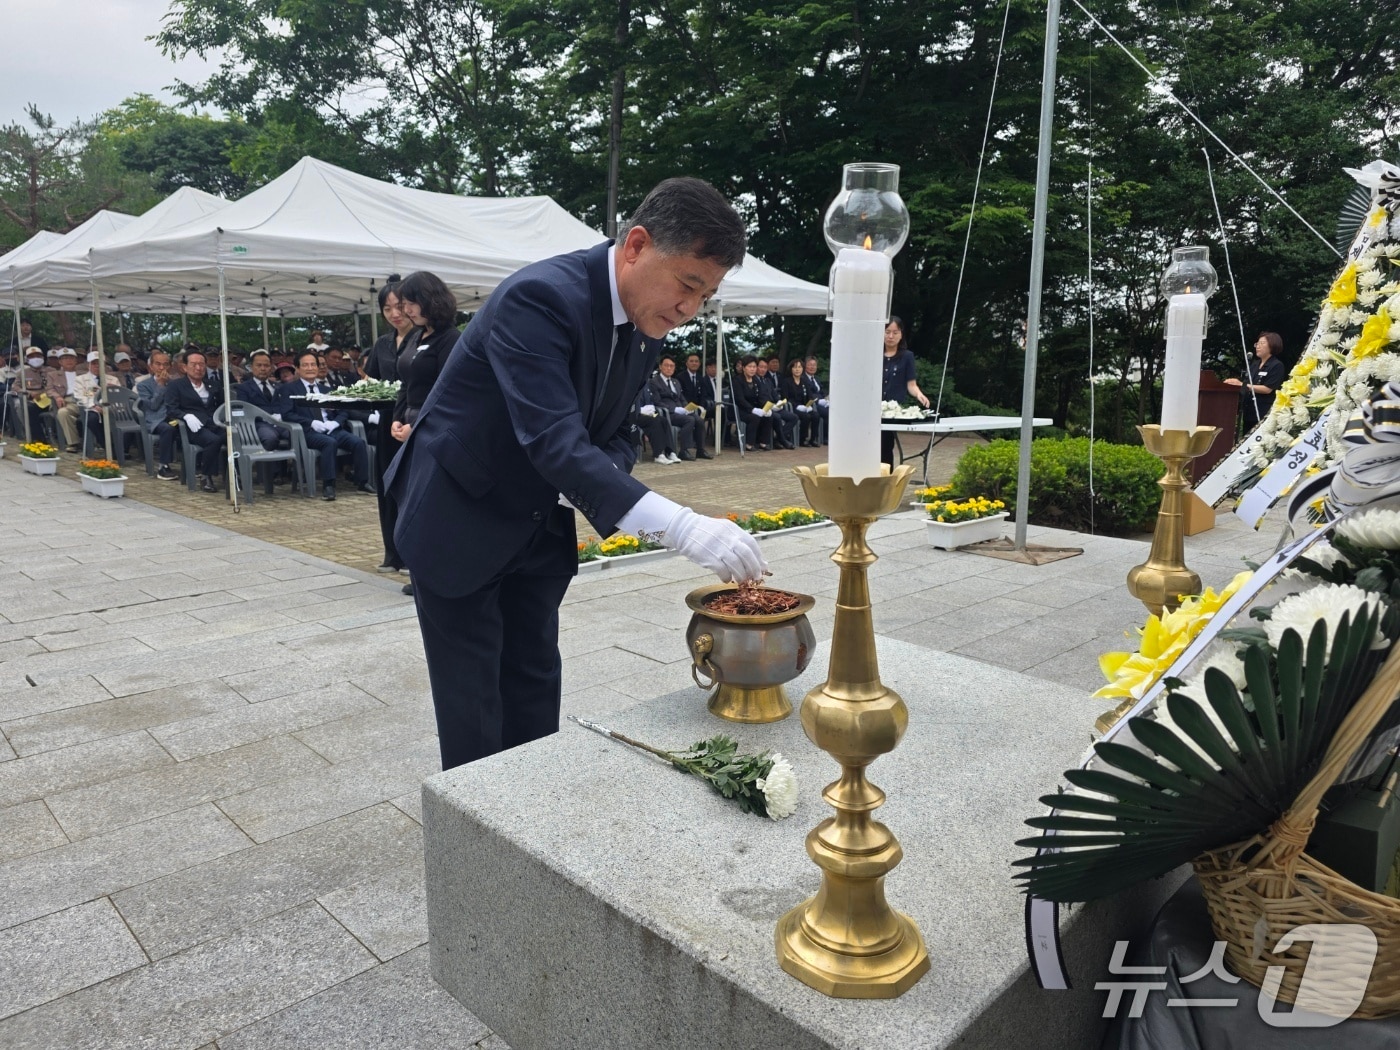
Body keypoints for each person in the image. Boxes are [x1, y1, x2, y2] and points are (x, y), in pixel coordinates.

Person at [386, 176, 766, 771]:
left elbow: (614, 433)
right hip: (460, 514)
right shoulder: (538, 298)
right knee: (474, 701)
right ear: (636, 245)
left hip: (539, 520)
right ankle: (479, 844)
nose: (690, 309)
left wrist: (580, 480)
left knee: (535, 678)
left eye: (707, 295)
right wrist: (680, 525)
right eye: (688, 284)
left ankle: (536, 810)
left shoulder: (642, 326)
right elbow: (555, 439)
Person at [391, 271, 463, 595]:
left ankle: (441, 573)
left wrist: (417, 425)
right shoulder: (414, 336)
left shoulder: (450, 339)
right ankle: (420, 572)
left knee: (434, 504)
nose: (406, 311)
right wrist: (396, 419)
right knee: (412, 503)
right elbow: (406, 384)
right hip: (407, 426)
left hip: (431, 430)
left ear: (430, 300)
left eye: (410, 303)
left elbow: (450, 390)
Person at [366, 279, 415, 574]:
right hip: (387, 420)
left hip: (412, 418)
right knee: (386, 483)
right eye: (388, 308)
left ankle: (412, 553)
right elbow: (371, 379)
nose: (395, 314)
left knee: (410, 486)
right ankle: (392, 553)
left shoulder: (423, 339)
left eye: (399, 306)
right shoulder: (383, 344)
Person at [277, 350, 372, 501]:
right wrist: (312, 422)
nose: (310, 368)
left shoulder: (326, 389)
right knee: (329, 443)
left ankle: (362, 481)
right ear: (297, 368)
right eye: (305, 365)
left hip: (330, 428)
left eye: (313, 364)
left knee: (358, 442)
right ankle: (329, 485)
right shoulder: (288, 389)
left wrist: (335, 422)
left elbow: (343, 410)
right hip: (307, 432)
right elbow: (287, 414)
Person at [164, 349, 227, 493]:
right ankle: (206, 476)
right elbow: (171, 409)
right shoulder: (176, 385)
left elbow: (222, 405)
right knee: (213, 440)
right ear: (184, 367)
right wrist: (185, 415)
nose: (198, 368)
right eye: (194, 365)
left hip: (214, 423)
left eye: (201, 364)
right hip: (192, 427)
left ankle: (234, 475)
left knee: (233, 436)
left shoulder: (212, 385)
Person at [880, 315, 929, 468]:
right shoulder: (873, 354)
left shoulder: (907, 357)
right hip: (870, 410)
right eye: (887, 331)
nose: (890, 336)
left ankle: (885, 482)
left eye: (895, 332)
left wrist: (919, 394)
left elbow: (911, 384)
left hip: (890, 412)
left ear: (901, 334)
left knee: (885, 447)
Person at [1224, 331, 1286, 432]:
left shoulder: (1276, 365)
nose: (1258, 346)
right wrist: (1236, 383)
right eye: (1257, 343)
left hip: (1263, 413)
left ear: (1273, 345)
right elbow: (1247, 383)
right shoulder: (1255, 364)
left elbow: (1267, 389)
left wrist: (1242, 385)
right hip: (1249, 412)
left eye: (1262, 343)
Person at [647, 355, 702, 461]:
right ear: (660, 367)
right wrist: (674, 409)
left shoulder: (676, 382)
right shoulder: (655, 382)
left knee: (698, 419)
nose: (669, 368)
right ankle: (683, 450)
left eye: (672, 366)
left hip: (680, 411)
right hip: (668, 413)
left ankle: (700, 450)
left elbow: (681, 398)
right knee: (689, 420)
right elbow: (657, 401)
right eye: (666, 365)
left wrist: (687, 407)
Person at [137, 350, 181, 480]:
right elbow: (153, 405)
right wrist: (161, 385)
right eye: (158, 364)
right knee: (167, 428)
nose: (162, 368)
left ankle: (196, 464)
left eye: (165, 364)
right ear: (151, 366)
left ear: (170, 366)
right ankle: (163, 466)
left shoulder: (175, 383)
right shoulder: (143, 385)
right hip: (155, 420)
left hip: (174, 417)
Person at [732, 354, 773, 450]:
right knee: (754, 418)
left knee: (768, 416)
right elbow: (739, 399)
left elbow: (761, 396)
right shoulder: (737, 380)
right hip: (740, 409)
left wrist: (766, 407)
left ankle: (763, 442)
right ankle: (749, 444)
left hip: (754, 408)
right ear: (743, 368)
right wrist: (752, 409)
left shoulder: (756, 380)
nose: (752, 369)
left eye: (754, 367)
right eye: (750, 367)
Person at [782, 357, 819, 447]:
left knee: (815, 415)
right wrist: (797, 406)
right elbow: (785, 398)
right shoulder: (786, 382)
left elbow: (810, 395)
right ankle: (803, 439)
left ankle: (813, 439)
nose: (797, 369)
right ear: (791, 369)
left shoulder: (804, 381)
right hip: (793, 407)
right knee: (805, 417)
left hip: (804, 406)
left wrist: (809, 404)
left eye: (799, 367)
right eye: (795, 367)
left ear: (803, 369)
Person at [802, 356, 830, 444]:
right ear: (805, 366)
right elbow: (808, 393)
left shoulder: (816, 379)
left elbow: (821, 391)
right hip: (812, 403)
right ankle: (825, 437)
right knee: (827, 413)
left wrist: (826, 398)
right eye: (810, 365)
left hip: (822, 402)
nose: (812, 367)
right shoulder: (803, 378)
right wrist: (819, 400)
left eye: (814, 365)